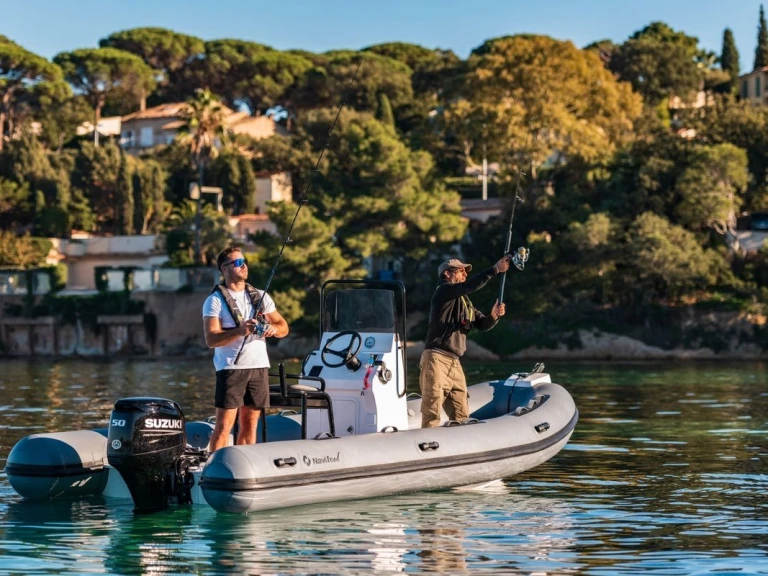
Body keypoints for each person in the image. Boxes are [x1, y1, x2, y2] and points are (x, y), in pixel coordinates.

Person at [202, 247, 289, 452]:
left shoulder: (260, 296)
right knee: (224, 427)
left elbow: (284, 327)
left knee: (250, 426)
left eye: (245, 261)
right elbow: (211, 339)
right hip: (231, 368)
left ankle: (244, 465)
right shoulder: (214, 301)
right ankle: (213, 467)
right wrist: (240, 331)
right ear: (224, 269)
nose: (244, 266)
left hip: (258, 367)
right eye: (238, 263)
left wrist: (272, 329)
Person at [420, 255, 512, 428]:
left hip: (454, 363)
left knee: (462, 414)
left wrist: (493, 315)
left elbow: (483, 324)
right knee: (432, 411)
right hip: (436, 359)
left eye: (465, 271)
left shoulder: (465, 304)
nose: (465, 273)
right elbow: (469, 286)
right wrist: (495, 269)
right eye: (460, 270)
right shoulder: (443, 291)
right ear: (447, 274)